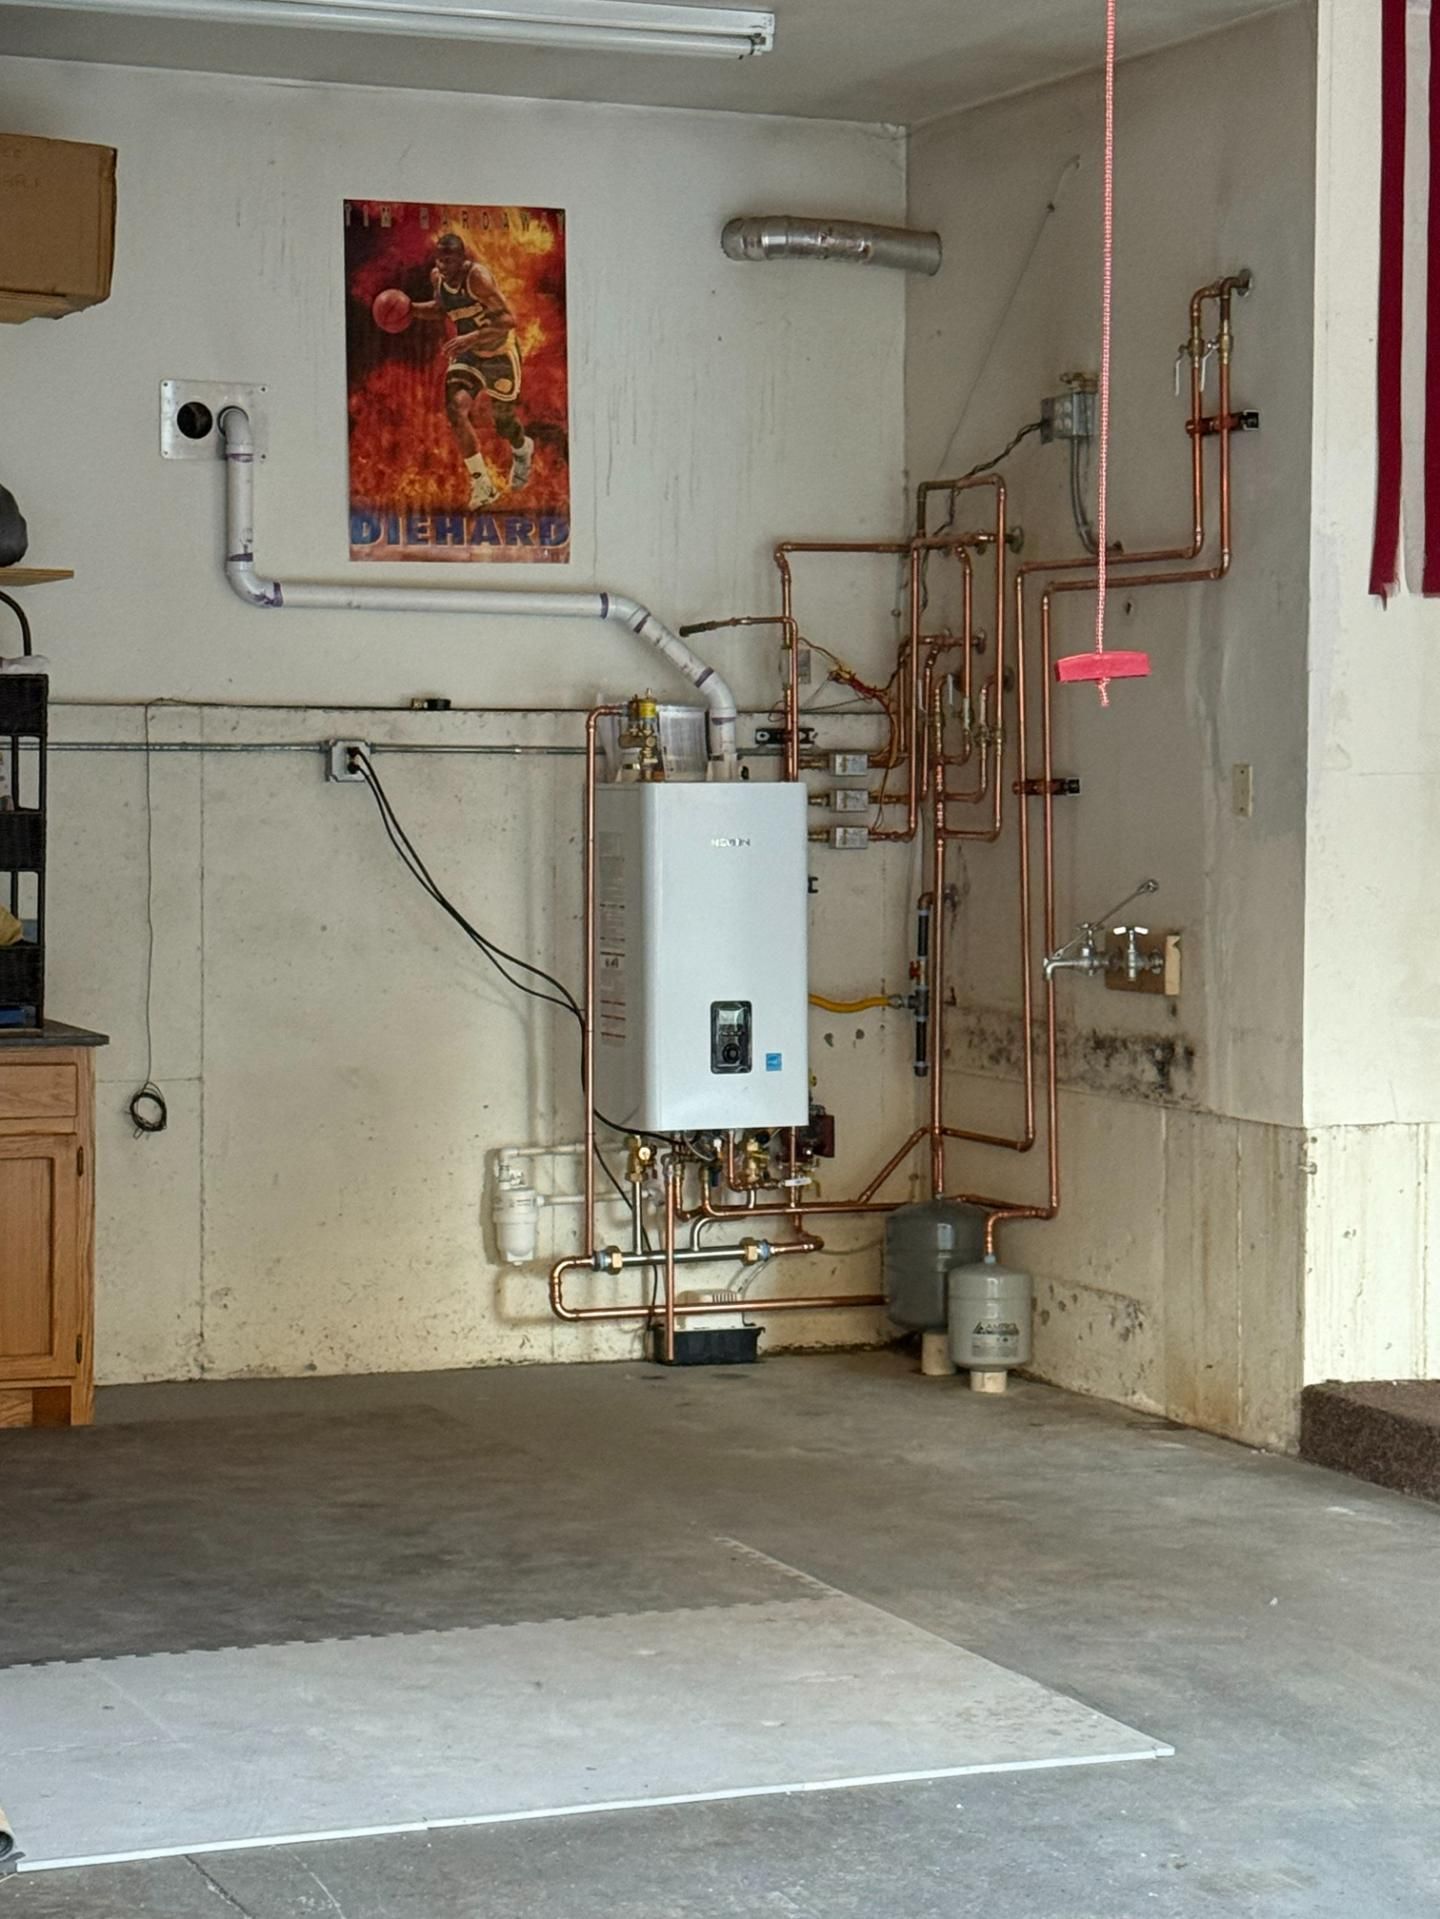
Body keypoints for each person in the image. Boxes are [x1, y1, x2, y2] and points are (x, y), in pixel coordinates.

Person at [407, 232, 535, 509]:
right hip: (468, 354)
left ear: (462, 259)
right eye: (439, 260)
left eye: (448, 260)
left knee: (504, 423)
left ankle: (522, 448)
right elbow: (442, 309)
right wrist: (409, 309)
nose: (442, 266)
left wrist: (472, 336)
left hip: (498, 352)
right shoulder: (437, 279)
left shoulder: (478, 278)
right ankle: (482, 485)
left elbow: (508, 319)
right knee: (455, 408)